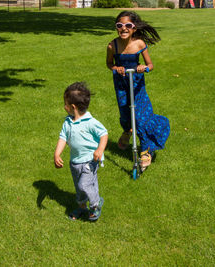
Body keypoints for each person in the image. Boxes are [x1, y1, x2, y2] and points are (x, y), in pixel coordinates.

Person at [106, 11, 170, 171]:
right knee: (125, 111)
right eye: (119, 26)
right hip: (120, 82)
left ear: (134, 28)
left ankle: (146, 150)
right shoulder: (112, 45)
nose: (124, 29)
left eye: (128, 26)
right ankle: (127, 131)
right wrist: (116, 67)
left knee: (141, 116)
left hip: (137, 82)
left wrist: (144, 68)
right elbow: (109, 63)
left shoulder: (139, 44)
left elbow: (150, 65)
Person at [54, 82, 108, 221]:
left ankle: (96, 205)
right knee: (80, 188)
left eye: (65, 103)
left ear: (72, 107)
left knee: (84, 184)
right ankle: (82, 207)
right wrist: (57, 154)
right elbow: (63, 137)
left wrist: (100, 149)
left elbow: (104, 133)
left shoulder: (90, 122)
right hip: (75, 162)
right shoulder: (68, 122)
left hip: (90, 161)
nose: (63, 106)